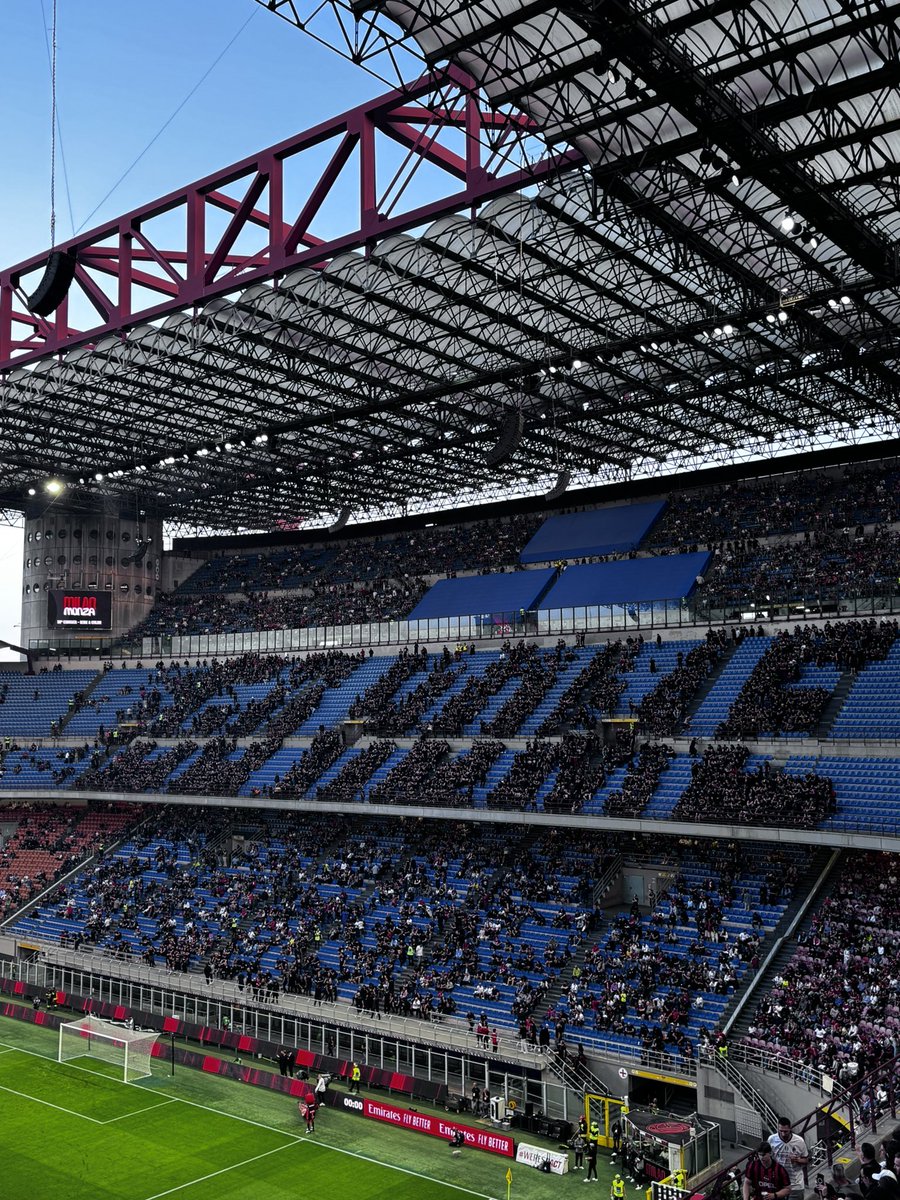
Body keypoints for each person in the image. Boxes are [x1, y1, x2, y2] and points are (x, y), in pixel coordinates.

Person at [769, 1118, 809, 1200]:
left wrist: (797, 1160)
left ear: (790, 1129)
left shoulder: (799, 1141)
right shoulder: (772, 1140)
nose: (783, 1134)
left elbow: (806, 1160)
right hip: (778, 1184)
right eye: (781, 1131)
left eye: (785, 1131)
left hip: (795, 1185)